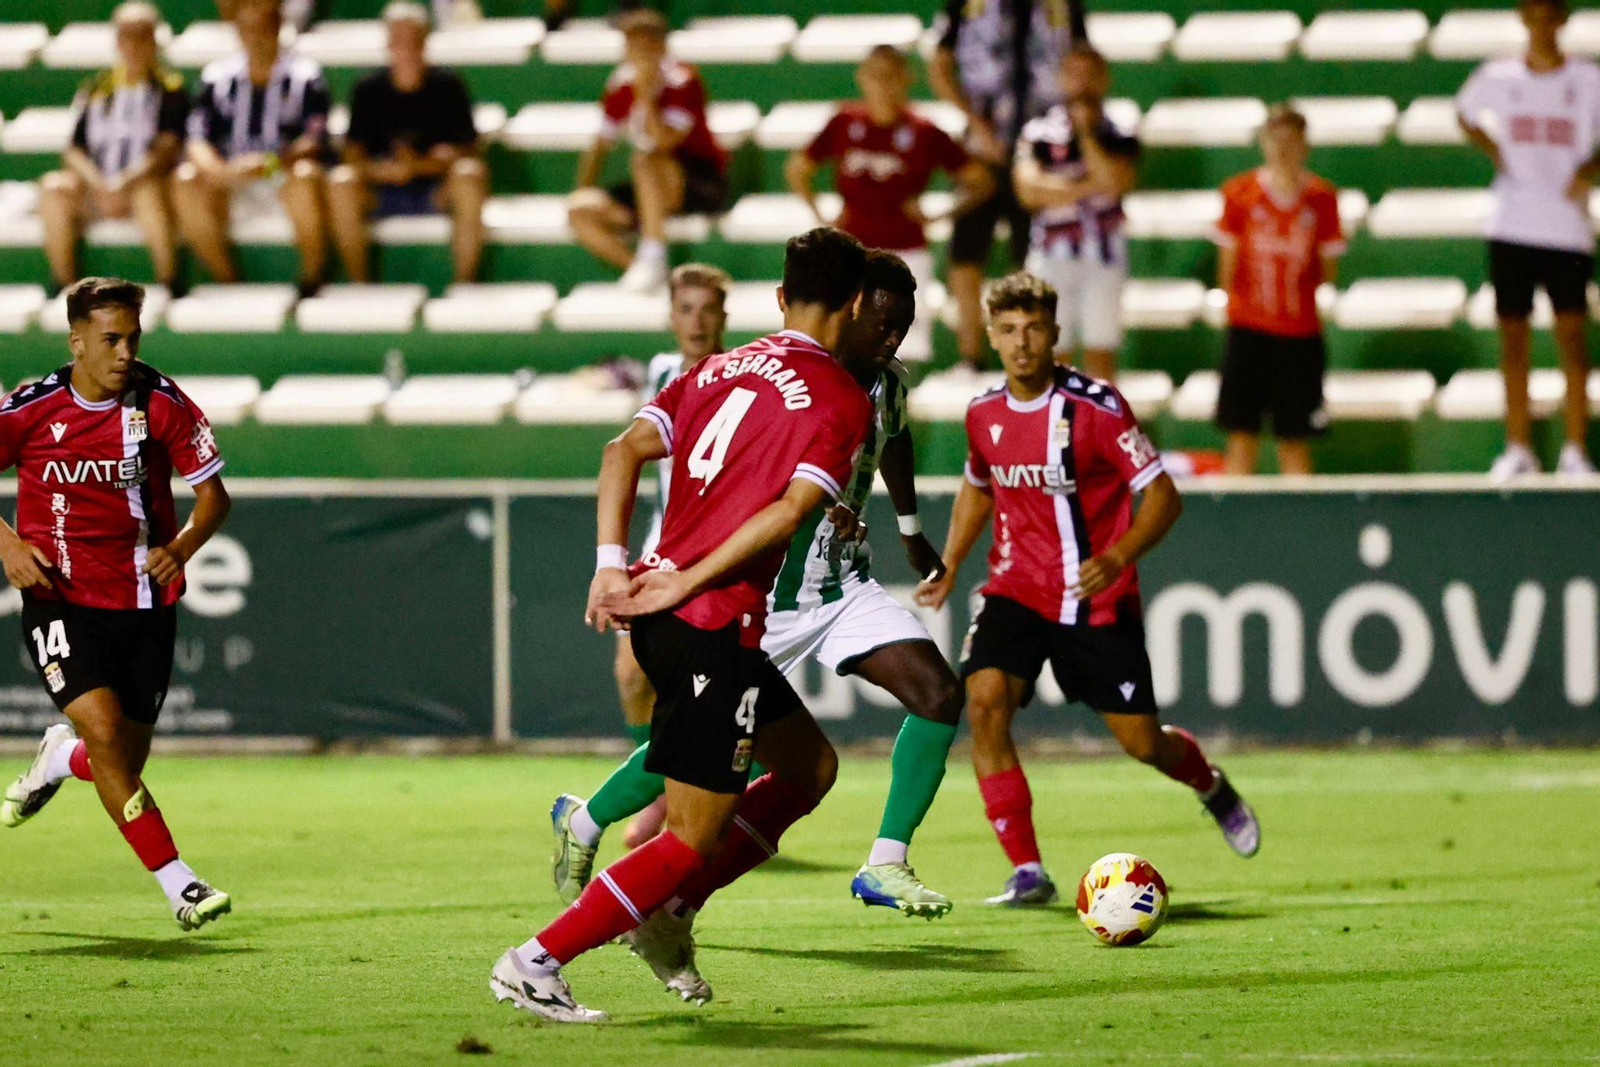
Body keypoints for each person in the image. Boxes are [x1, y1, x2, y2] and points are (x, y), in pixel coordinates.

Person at [550, 252, 965, 995]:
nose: (894, 336)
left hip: (838, 585)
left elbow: (893, 440)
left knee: (937, 692)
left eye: (904, 325)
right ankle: (587, 829)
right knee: (703, 747)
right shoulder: (790, 381)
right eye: (883, 319)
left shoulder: (882, 386)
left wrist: (906, 524)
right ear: (848, 307)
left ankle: (885, 857)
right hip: (756, 591)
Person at [489, 228, 873, 1023]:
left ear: (778, 298)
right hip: (706, 622)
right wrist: (690, 579)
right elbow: (789, 513)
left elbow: (619, 450)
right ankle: (536, 960)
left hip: (671, 617)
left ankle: (665, 914)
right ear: (860, 303)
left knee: (808, 767)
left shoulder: (713, 369)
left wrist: (610, 563)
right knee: (690, 836)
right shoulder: (840, 397)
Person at [915, 272, 1259, 907]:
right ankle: (1027, 870)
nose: (1022, 343)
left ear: (1055, 334)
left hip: (1095, 598)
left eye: (1034, 329)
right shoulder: (983, 413)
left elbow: (1162, 495)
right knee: (984, 704)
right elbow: (977, 483)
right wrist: (954, 562)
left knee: (1142, 744)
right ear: (991, 336)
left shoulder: (1097, 409)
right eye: (1010, 330)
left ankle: (1209, 784)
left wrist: (1119, 553)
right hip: (1015, 588)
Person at [0, 277, 233, 931]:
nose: (125, 350)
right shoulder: (32, 407)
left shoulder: (159, 402)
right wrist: (8, 543)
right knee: (102, 732)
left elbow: (214, 496)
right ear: (77, 341)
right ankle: (181, 886)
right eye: (111, 338)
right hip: (59, 599)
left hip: (144, 601)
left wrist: (182, 547)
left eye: (133, 336)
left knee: (117, 762)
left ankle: (58, 757)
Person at [610, 262, 733, 850]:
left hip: (717, 557)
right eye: (686, 309)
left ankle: (694, 801)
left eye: (708, 310)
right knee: (633, 676)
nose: (697, 321)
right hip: (662, 549)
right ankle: (662, 792)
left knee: (712, 691)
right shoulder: (661, 372)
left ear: (724, 318)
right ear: (671, 317)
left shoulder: (742, 377)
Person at [1458, 0, 1600, 478]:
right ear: (1522, 18)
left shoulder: (1588, 80)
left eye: (1549, 14)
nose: (1541, 24)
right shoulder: (1499, 77)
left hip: (1566, 226)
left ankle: (1575, 449)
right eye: (1533, 14)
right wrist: (1495, 149)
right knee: (1513, 338)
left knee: (1571, 338)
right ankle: (1518, 445)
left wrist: (1591, 169)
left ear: (1561, 19)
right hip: (1512, 224)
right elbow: (1465, 113)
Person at [786, 46, 994, 363]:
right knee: (844, 337)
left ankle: (898, 410)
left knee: (901, 346)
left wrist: (940, 214)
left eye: (890, 76)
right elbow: (798, 169)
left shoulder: (924, 131)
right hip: (852, 252)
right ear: (861, 78)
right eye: (875, 76)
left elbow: (981, 181)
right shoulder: (843, 122)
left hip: (906, 251)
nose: (882, 85)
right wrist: (822, 216)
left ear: (906, 79)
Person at [932, 0, 1080, 370]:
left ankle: (1026, 353)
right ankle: (971, 355)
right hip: (981, 149)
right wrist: (975, 120)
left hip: (1043, 152)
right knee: (964, 256)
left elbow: (1081, 60)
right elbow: (939, 66)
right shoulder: (965, 3)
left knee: (1030, 259)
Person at [1214, 105, 1343, 476]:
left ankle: (1304, 530)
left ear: (1305, 145)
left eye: (1292, 141)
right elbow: (1228, 269)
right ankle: (1230, 529)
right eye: (1276, 140)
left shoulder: (1321, 199)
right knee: (1241, 439)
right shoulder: (1240, 194)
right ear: (1263, 143)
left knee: (1295, 440)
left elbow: (1327, 271)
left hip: (1299, 336)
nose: (1284, 149)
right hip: (1249, 331)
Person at [174, 0, 332, 296]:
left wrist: (269, 164)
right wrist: (222, 171)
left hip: (281, 175)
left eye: (263, 29)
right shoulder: (216, 79)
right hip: (231, 179)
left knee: (306, 175)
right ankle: (227, 281)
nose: (256, 37)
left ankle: (311, 280)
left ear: (277, 30)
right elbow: (196, 137)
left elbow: (315, 139)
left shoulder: (306, 77)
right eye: (248, 30)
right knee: (185, 180)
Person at [567, 9, 729, 293]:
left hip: (697, 182)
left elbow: (664, 142)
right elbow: (600, 145)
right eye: (631, 45)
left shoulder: (683, 81)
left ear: (662, 46)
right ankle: (640, 267)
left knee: (645, 160)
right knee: (580, 210)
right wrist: (583, 187)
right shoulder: (620, 85)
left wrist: (644, 94)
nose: (637, 54)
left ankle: (654, 252)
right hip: (649, 190)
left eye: (645, 45)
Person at [327, 3, 488, 284]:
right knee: (341, 182)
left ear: (425, 41)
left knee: (470, 176)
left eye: (412, 39)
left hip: (435, 188)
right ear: (387, 43)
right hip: (381, 189)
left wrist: (420, 166)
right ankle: (360, 284)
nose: (405, 47)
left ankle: (465, 282)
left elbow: (469, 151)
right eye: (397, 39)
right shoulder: (367, 89)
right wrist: (383, 171)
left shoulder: (449, 85)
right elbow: (352, 154)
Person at [39, 3, 187, 296]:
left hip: (142, 190)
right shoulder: (98, 89)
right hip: (98, 190)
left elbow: (166, 149)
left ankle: (169, 282)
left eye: (141, 37)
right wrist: (99, 185)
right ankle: (65, 287)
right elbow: (74, 150)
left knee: (148, 192)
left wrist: (124, 183)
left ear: (154, 41)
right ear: (117, 42)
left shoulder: (170, 90)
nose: (133, 46)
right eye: (126, 37)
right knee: (54, 187)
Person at [1013, 46, 1139, 382]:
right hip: (1051, 251)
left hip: (1104, 252)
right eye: (1074, 74)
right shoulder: (1038, 130)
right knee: (1052, 350)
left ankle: (1100, 430)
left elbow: (1117, 182)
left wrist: (1085, 136)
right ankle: (1057, 430)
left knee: (1101, 350)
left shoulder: (1120, 127)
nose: (1082, 83)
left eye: (1090, 74)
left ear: (1104, 78)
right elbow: (1029, 191)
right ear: (1061, 79)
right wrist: (1091, 186)